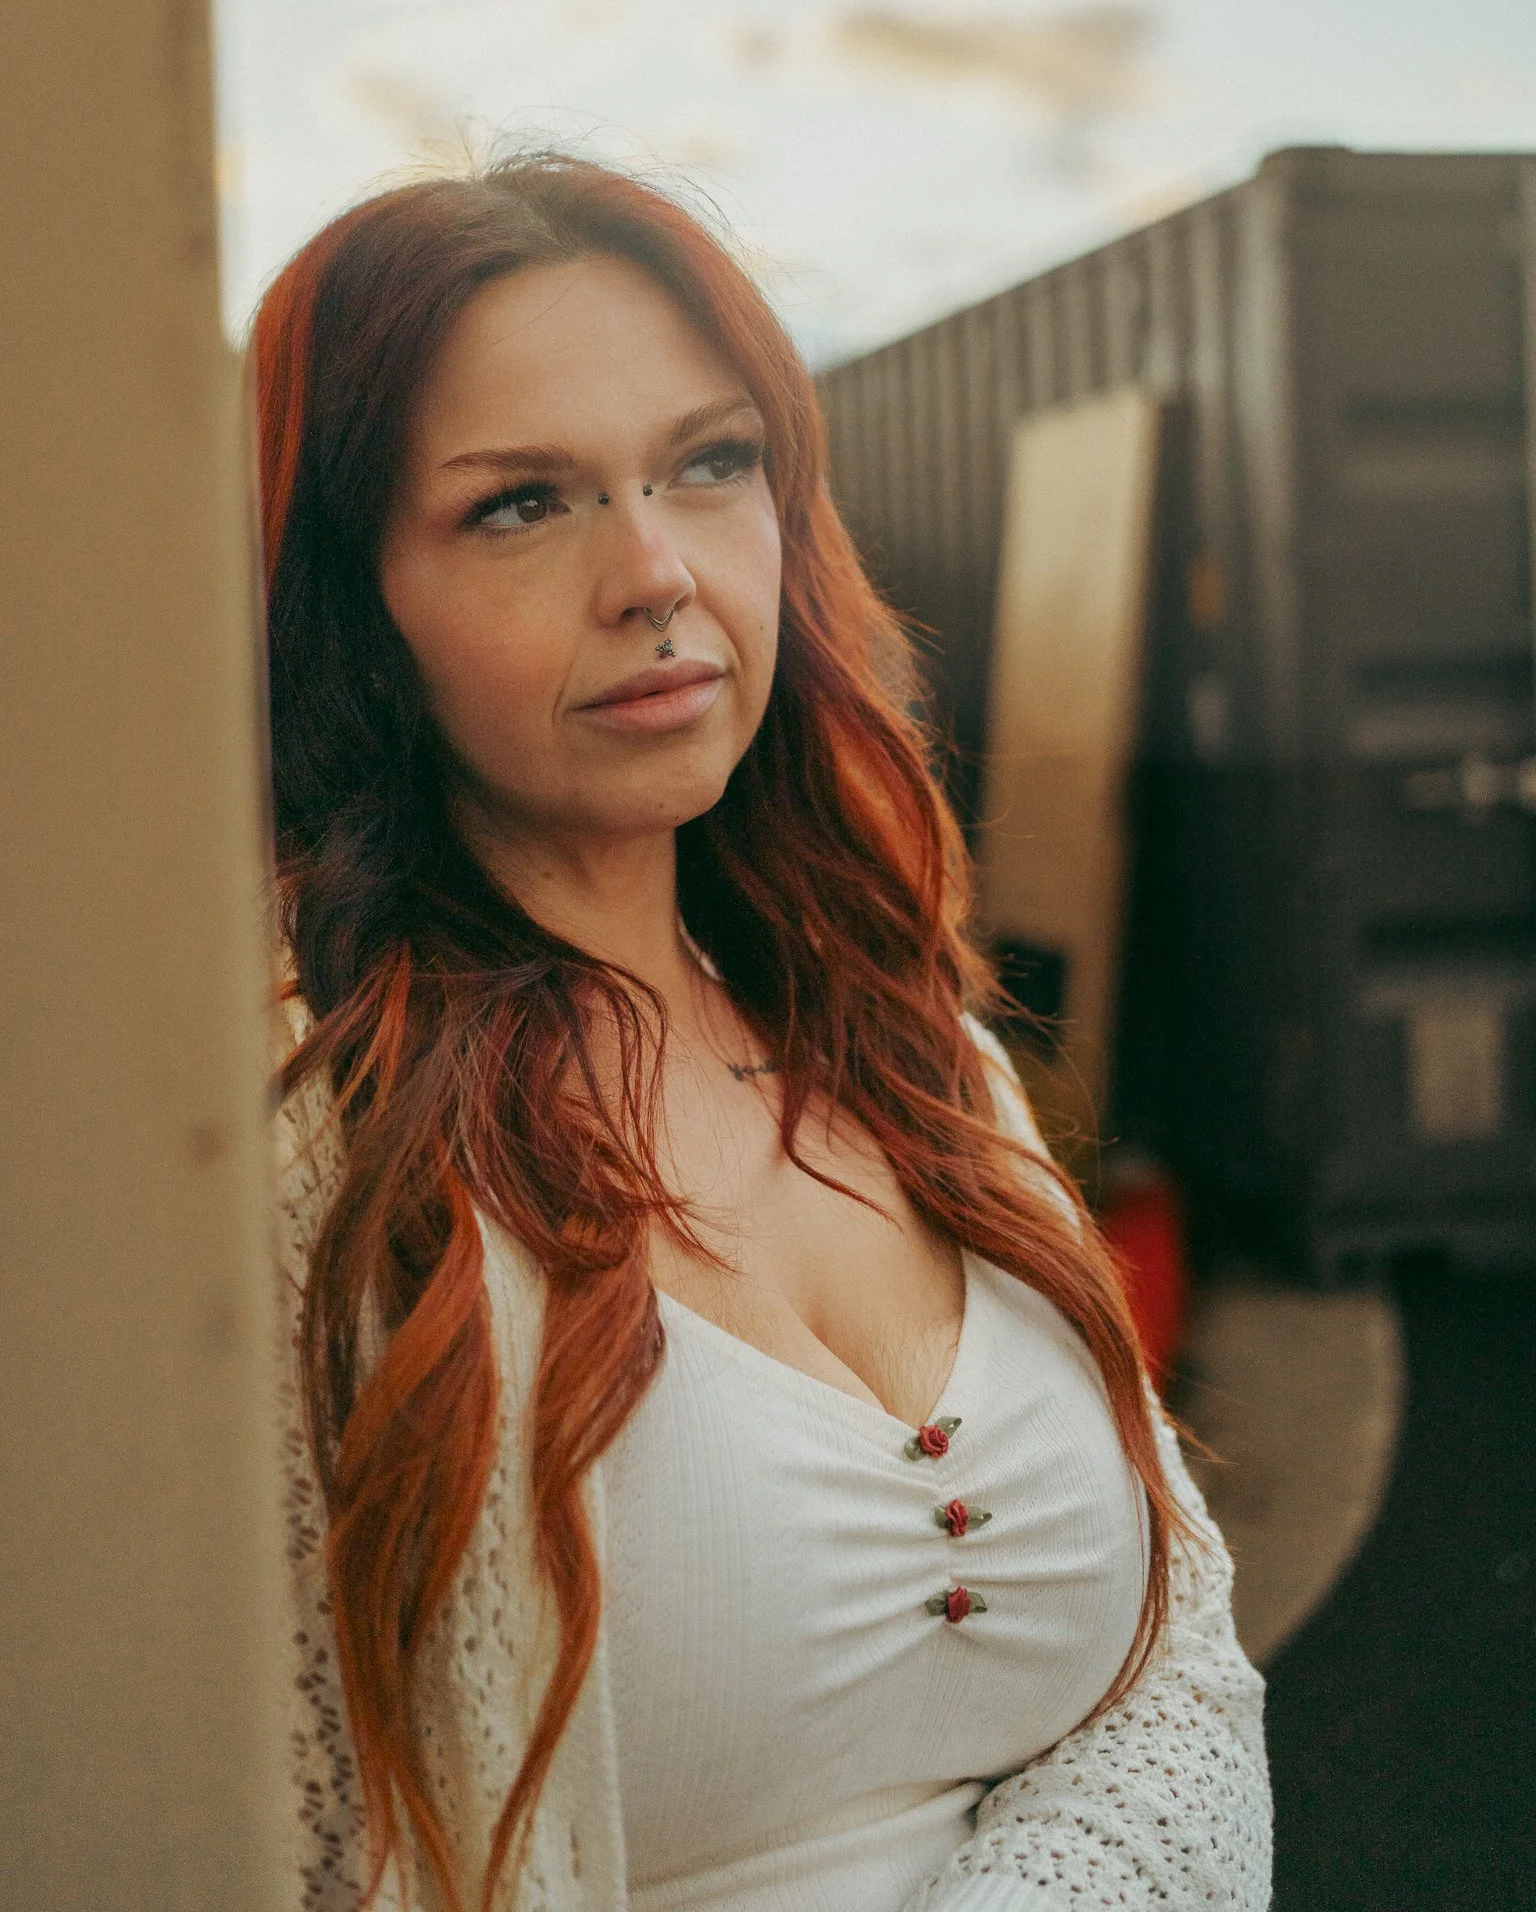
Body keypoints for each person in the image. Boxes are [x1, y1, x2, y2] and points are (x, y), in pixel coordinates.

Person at [261, 152, 1272, 1912]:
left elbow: (1180, 1659)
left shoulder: (900, 1034)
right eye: (520, 504)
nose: (656, 570)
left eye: (709, 464)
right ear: (358, 608)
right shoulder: (299, 1157)